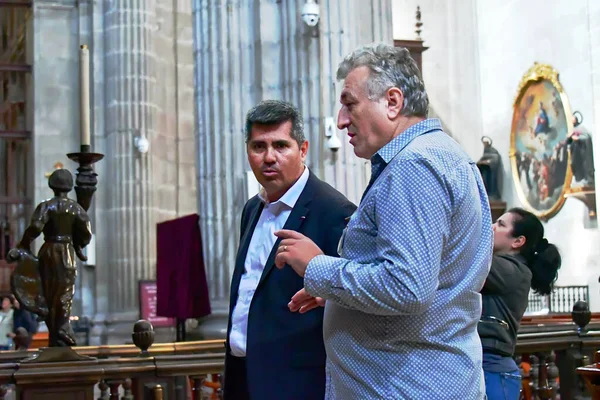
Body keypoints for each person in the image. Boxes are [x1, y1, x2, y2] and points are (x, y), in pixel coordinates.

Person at [274, 44, 493, 399]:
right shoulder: (444, 155)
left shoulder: (414, 166)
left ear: (393, 102)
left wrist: (318, 268)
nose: (342, 119)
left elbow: (407, 288)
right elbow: (434, 282)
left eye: (349, 103)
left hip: (405, 386)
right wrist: (337, 296)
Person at [223, 100, 356, 400]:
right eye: (259, 147)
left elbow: (355, 298)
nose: (269, 157)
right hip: (242, 376)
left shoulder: (334, 211)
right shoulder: (252, 209)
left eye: (281, 145)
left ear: (303, 149)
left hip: (296, 384)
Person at [479, 207, 561, 400]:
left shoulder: (513, 270)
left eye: (501, 224)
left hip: (493, 367)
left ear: (518, 241)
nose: (492, 227)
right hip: (484, 362)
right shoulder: (508, 266)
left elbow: (467, 258)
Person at [9, 169, 91, 347]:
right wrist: (77, 243)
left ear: (51, 185)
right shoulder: (75, 208)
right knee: (64, 292)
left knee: (49, 291)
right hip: (67, 252)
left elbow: (34, 228)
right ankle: (61, 329)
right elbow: (86, 234)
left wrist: (23, 244)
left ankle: (58, 331)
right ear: (69, 187)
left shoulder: (46, 206)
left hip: (48, 250)